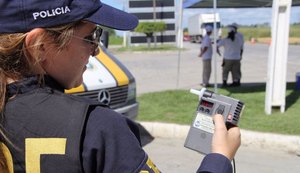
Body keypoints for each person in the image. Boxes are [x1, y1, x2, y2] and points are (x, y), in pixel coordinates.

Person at [0, 0, 241, 172]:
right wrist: (219, 158)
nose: (96, 50)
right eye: (91, 36)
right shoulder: (97, 129)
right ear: (39, 46)